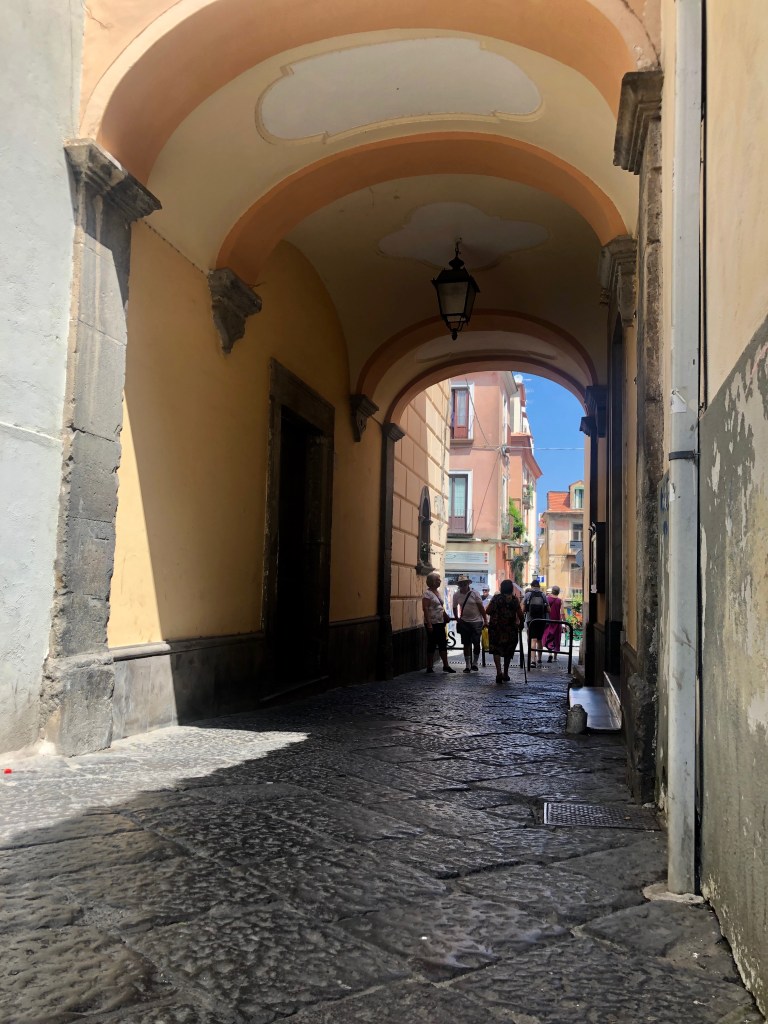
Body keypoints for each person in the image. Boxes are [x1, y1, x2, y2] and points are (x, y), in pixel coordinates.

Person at [487, 580, 524, 684]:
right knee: (508, 650)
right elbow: (520, 614)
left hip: (496, 628)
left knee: (496, 650)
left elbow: (487, 611)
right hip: (510, 629)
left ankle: (499, 672)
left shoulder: (496, 598)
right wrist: (521, 623)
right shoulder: (514, 599)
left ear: (502, 588)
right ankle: (506, 673)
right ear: (511, 588)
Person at [421, 572, 456, 674]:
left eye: (439, 579)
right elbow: (425, 609)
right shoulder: (427, 594)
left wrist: (445, 615)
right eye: (437, 580)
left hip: (440, 622)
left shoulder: (437, 592)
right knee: (431, 644)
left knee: (442, 643)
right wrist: (429, 624)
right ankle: (429, 666)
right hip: (432, 623)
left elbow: (439, 607)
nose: (440, 581)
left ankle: (446, 665)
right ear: (432, 581)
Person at [452, 574, 488, 673]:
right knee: (466, 644)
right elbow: (454, 607)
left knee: (476, 643)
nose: (463, 585)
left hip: (477, 622)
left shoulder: (475, 593)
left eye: (464, 583)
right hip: (464, 622)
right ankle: (467, 665)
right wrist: (457, 618)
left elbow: (481, 608)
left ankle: (475, 663)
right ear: (459, 585)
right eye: (461, 584)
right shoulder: (456, 595)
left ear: (468, 583)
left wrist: (485, 620)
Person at [523, 579, 549, 667]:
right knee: (539, 639)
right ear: (539, 586)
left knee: (533, 639)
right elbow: (549, 609)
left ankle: (533, 660)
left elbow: (523, 609)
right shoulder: (543, 594)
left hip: (531, 620)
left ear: (531, 586)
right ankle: (539, 659)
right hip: (541, 620)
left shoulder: (528, 594)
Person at [543, 585, 564, 662]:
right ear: (558, 592)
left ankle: (550, 654)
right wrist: (565, 622)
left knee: (549, 637)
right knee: (556, 638)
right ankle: (555, 657)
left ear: (552, 591)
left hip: (549, 621)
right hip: (557, 622)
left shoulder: (547, 599)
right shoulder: (560, 601)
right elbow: (562, 613)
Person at [480, 585, 491, 653]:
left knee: (488, 633)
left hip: (488, 619)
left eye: (485, 590)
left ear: (488, 591)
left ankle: (488, 645)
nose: (484, 591)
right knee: (482, 634)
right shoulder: (480, 598)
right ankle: (483, 646)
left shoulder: (491, 598)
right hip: (481, 619)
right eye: (483, 590)